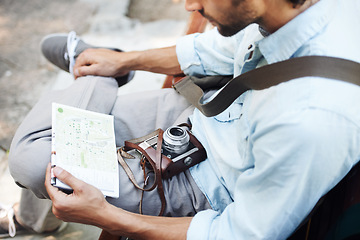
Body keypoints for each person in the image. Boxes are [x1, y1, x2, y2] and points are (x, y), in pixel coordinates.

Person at [2, 0, 360, 239]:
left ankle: (96, 76)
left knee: (33, 160)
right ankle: (106, 67)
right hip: (203, 110)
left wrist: (103, 215)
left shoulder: (312, 119)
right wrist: (128, 61)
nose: (190, 5)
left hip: (201, 183)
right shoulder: (296, 10)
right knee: (59, 146)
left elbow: (238, 234)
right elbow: (218, 50)